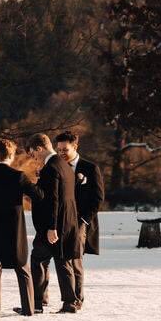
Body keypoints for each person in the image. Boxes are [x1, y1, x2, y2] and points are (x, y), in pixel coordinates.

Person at [0, 139, 40, 316]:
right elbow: (37, 195)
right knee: (22, 267)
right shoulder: (18, 176)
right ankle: (28, 308)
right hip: (14, 226)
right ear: (11, 155)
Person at [25, 133, 81, 314]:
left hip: (53, 225)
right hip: (67, 221)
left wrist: (51, 227)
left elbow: (53, 200)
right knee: (62, 261)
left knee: (38, 260)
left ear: (39, 148)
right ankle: (69, 302)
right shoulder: (63, 164)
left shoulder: (51, 168)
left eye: (33, 153)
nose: (33, 156)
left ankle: (37, 303)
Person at [55, 131, 104, 310]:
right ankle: (61, 300)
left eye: (64, 149)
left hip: (81, 222)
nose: (61, 153)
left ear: (75, 146)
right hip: (60, 222)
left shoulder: (90, 168)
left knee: (75, 261)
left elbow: (98, 198)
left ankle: (76, 300)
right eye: (58, 149)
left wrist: (84, 220)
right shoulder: (56, 168)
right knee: (62, 261)